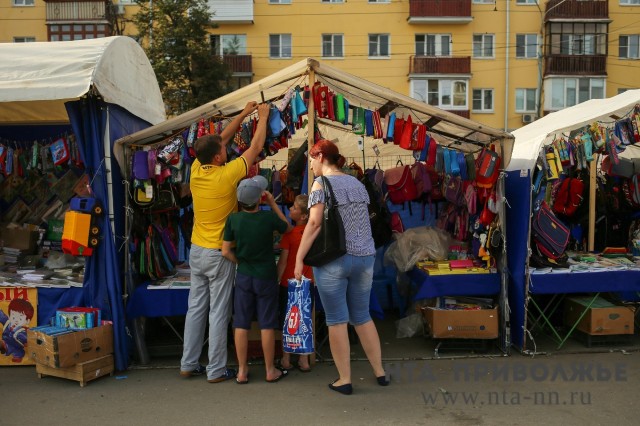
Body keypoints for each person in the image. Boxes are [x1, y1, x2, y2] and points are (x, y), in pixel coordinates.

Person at [180, 101, 270, 383]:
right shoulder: (227, 176)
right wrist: (263, 117)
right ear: (218, 158)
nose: (225, 149)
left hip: (196, 250)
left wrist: (244, 114)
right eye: (223, 151)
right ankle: (216, 370)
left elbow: (222, 139)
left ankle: (188, 363)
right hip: (219, 254)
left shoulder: (196, 169)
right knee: (218, 312)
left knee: (195, 308)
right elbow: (254, 149)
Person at [294, 139, 388, 395]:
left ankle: (344, 379)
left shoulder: (320, 183)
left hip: (335, 258)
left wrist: (299, 258)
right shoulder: (356, 182)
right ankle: (379, 372)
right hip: (365, 257)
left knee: (336, 321)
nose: (311, 165)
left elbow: (313, 224)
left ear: (321, 157)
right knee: (362, 316)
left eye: (311, 159)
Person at [222, 176, 293, 384]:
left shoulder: (233, 220)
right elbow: (287, 227)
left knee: (241, 323)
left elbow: (226, 251)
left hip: (244, 275)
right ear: (259, 199)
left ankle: (242, 371)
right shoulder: (268, 218)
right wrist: (272, 203)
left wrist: (240, 262)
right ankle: (270, 370)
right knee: (267, 323)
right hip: (267, 276)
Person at [276, 194, 313, 372]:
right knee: (304, 321)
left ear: (304, 215)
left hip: (288, 282)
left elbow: (283, 261)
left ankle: (285, 359)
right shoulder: (313, 232)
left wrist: (277, 279)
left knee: (288, 321)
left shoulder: (289, 234)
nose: (290, 209)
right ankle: (304, 360)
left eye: (295, 208)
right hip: (308, 282)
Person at [0, 298, 34, 363]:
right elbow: (2, 317)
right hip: (5, 341)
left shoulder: (21, 332)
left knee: (17, 352)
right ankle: (4, 347)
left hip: (15, 346)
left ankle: (17, 356)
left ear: (27, 321)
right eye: (13, 317)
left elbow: (28, 340)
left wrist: (27, 341)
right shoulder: (7, 323)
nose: (15, 320)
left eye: (20, 319)